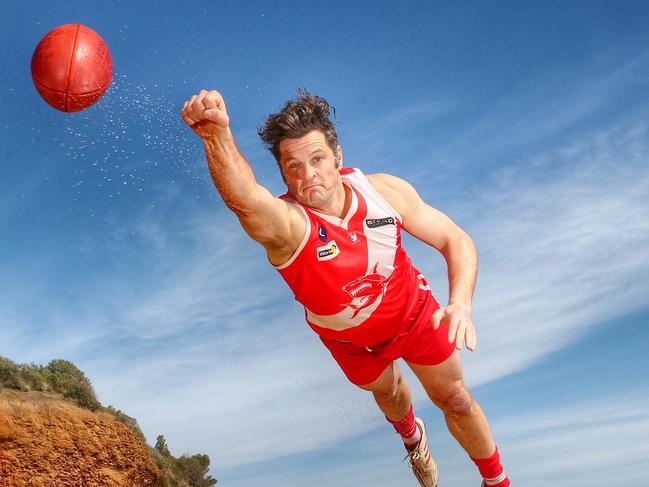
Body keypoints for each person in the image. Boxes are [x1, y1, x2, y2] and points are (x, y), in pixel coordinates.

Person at [180, 88, 510, 487]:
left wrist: (460, 304)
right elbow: (246, 199)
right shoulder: (289, 226)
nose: (308, 175)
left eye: (317, 159)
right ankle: (412, 437)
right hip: (351, 341)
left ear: (338, 156)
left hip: (416, 313)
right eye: (294, 166)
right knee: (390, 396)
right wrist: (217, 136)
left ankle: (497, 482)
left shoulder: (383, 192)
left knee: (455, 399)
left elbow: (454, 239)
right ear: (283, 174)